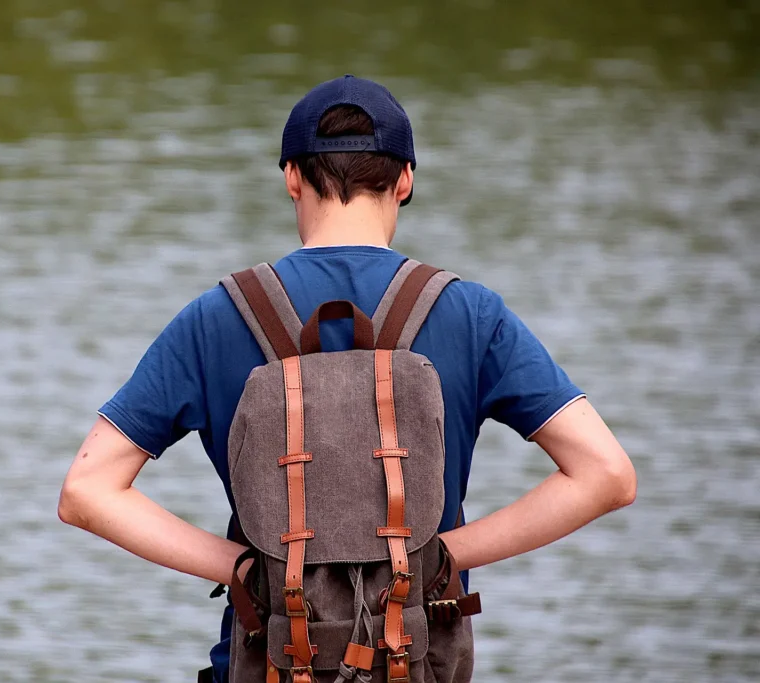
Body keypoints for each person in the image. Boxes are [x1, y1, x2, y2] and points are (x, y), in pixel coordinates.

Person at [57, 75, 637, 682]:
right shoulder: (471, 315)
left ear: (291, 177)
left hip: (272, 660)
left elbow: (86, 493)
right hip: (412, 661)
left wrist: (243, 568)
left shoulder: (217, 317)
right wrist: (438, 558)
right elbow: (607, 476)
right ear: (405, 180)